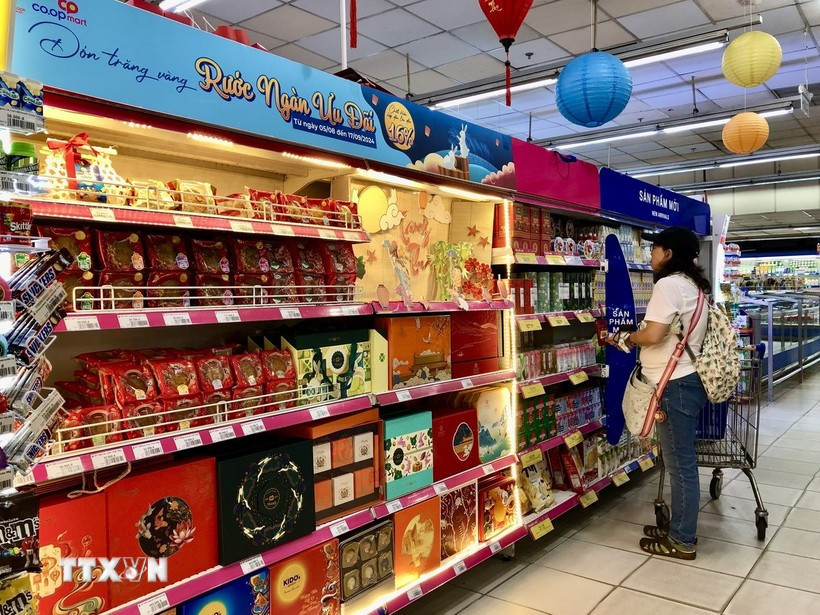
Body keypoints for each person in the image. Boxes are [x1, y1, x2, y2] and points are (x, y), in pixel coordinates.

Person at [613, 226, 710, 560]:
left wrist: (627, 337)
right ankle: (678, 528)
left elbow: (653, 335)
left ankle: (682, 539)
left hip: (674, 385)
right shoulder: (692, 286)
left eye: (655, 249)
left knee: (680, 465)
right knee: (680, 462)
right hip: (687, 382)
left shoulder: (668, 285)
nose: (651, 254)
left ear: (669, 253)